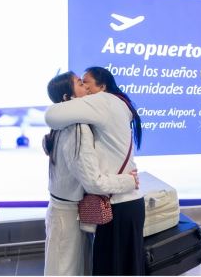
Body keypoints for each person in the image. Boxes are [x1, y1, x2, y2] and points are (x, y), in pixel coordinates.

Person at [44, 67, 145, 276]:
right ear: (68, 97)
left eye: (86, 82)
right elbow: (92, 180)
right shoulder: (76, 125)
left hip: (115, 204)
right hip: (89, 208)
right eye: (80, 83)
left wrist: (128, 181)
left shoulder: (99, 106)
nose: (86, 88)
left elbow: (92, 180)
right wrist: (128, 181)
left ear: (103, 87)